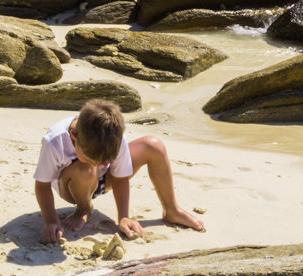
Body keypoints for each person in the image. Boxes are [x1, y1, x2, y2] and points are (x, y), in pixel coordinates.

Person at [33, 99, 204, 243]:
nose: (100, 164)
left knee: (154, 146)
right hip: (72, 185)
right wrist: (52, 221)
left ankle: (171, 210)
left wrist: (123, 216)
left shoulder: (113, 135)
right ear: (74, 136)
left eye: (105, 161)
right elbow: (42, 185)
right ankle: (83, 209)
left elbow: (120, 178)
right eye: (92, 158)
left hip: (104, 180)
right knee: (87, 168)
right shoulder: (54, 141)